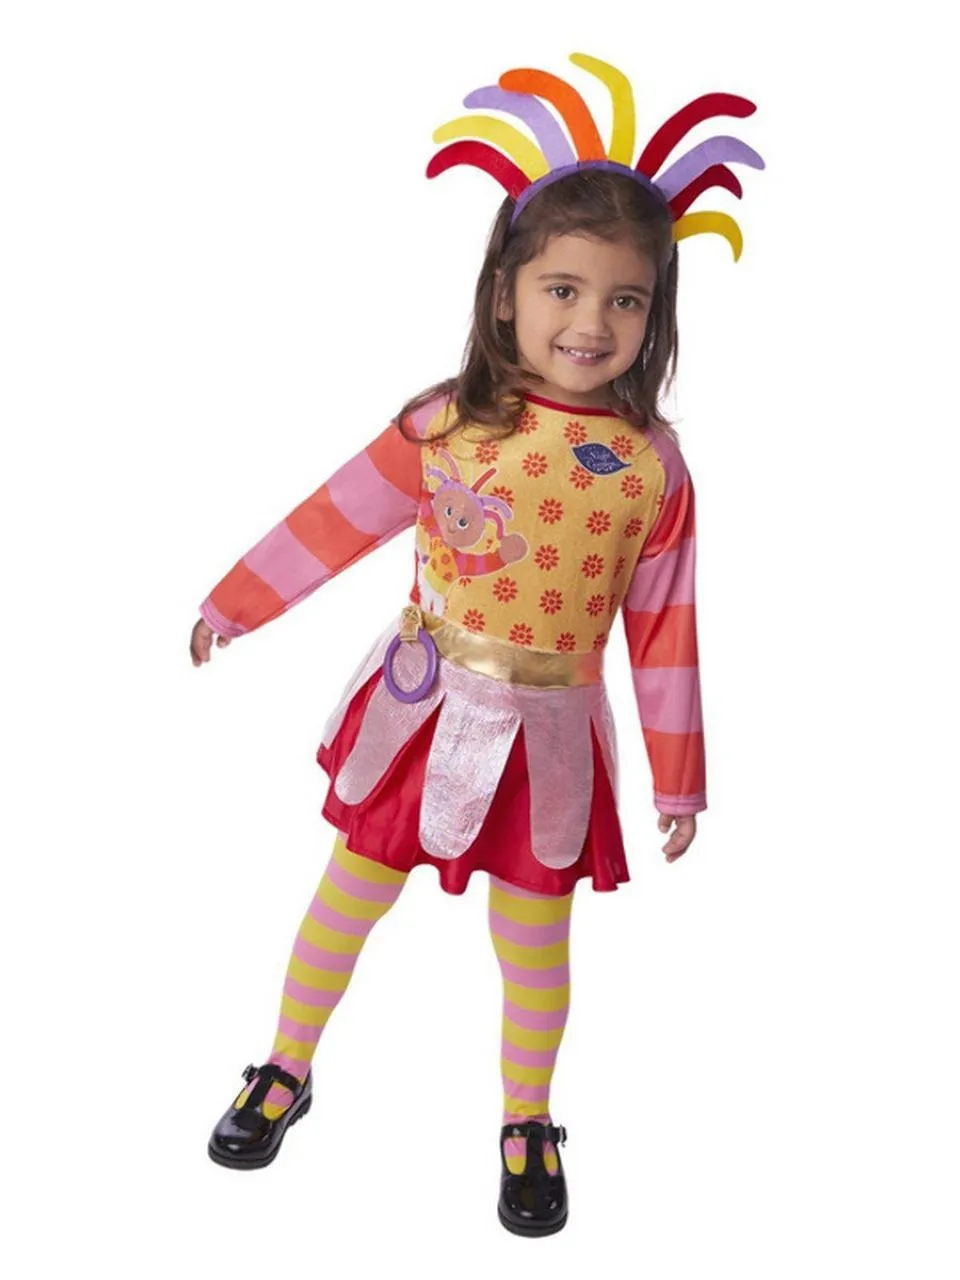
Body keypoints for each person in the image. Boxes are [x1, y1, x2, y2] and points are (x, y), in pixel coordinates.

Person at [190, 54, 763, 1236]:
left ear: (656, 313)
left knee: (533, 938)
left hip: (551, 735)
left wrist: (680, 778)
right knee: (349, 892)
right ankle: (286, 1063)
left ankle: (527, 1118)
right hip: (422, 711)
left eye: (625, 300)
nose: (590, 322)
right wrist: (235, 602)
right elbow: (335, 518)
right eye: (563, 288)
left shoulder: (651, 469)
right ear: (506, 293)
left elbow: (666, 629)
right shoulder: (446, 423)